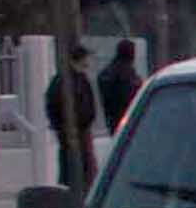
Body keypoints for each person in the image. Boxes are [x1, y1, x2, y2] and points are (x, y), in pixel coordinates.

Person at [46, 41, 102, 188]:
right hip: (74, 131)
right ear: (80, 59)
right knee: (79, 165)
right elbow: (55, 105)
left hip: (79, 129)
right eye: (86, 58)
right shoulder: (69, 80)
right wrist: (64, 126)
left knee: (82, 165)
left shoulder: (78, 79)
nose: (88, 62)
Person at [96, 36, 143, 131]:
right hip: (127, 116)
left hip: (113, 117)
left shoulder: (110, 71)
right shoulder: (125, 73)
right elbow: (131, 94)